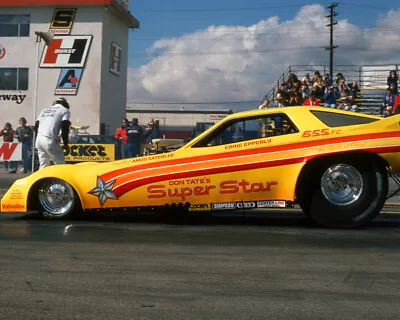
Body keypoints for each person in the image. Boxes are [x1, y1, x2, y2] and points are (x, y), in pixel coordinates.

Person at [34, 97, 70, 170]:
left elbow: (36, 126)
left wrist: (36, 139)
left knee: (43, 166)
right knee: (60, 165)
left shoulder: (45, 110)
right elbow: (65, 128)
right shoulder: (64, 110)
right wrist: (66, 144)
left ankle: (42, 180)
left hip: (39, 140)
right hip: (49, 139)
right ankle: (60, 181)